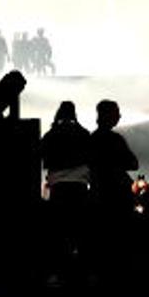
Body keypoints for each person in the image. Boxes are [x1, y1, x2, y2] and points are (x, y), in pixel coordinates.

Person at [40, 101, 90, 280]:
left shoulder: (50, 135)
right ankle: (82, 272)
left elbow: (42, 155)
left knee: (58, 231)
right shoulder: (84, 134)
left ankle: (57, 272)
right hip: (79, 186)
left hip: (59, 187)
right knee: (80, 229)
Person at [89, 100, 138, 221]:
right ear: (109, 115)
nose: (119, 116)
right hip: (118, 195)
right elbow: (134, 163)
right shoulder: (116, 140)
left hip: (99, 194)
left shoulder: (91, 140)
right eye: (116, 113)